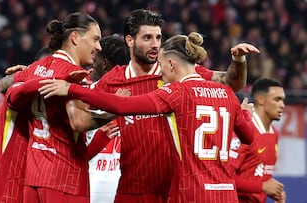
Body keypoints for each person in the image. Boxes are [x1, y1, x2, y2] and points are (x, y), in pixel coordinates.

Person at [37, 32, 256, 202]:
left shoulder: (178, 93)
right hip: (227, 194)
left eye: (161, 66)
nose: (160, 73)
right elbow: (249, 137)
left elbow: (123, 105)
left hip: (192, 192)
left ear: (171, 64)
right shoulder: (227, 94)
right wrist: (245, 114)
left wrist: (73, 90)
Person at [88, 9, 259, 203]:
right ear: (130, 40)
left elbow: (231, 83)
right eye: (147, 38)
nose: (155, 44)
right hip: (132, 190)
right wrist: (106, 115)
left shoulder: (176, 73)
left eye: (158, 37)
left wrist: (238, 61)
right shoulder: (112, 80)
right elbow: (82, 120)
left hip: (173, 191)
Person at [6, 12, 115, 202]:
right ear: (74, 37)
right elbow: (79, 122)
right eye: (95, 39)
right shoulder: (74, 74)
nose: (98, 47)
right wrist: (115, 110)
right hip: (65, 178)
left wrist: (23, 77)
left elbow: (3, 84)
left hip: (33, 178)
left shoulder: (37, 67)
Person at [0, 47, 53, 203]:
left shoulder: (48, 103)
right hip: (7, 190)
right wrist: (23, 75)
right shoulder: (20, 91)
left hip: (28, 189)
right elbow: (3, 85)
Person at [228, 78, 286, 203]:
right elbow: (225, 177)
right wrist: (262, 187)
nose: (282, 105)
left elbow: (261, 172)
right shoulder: (243, 132)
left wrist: (274, 191)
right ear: (261, 100)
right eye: (277, 99)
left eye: (283, 100)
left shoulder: (274, 133)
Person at [86, 35, 129, 203]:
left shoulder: (87, 94)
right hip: (124, 179)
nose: (91, 62)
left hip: (91, 178)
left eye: (95, 58)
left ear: (104, 63)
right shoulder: (140, 94)